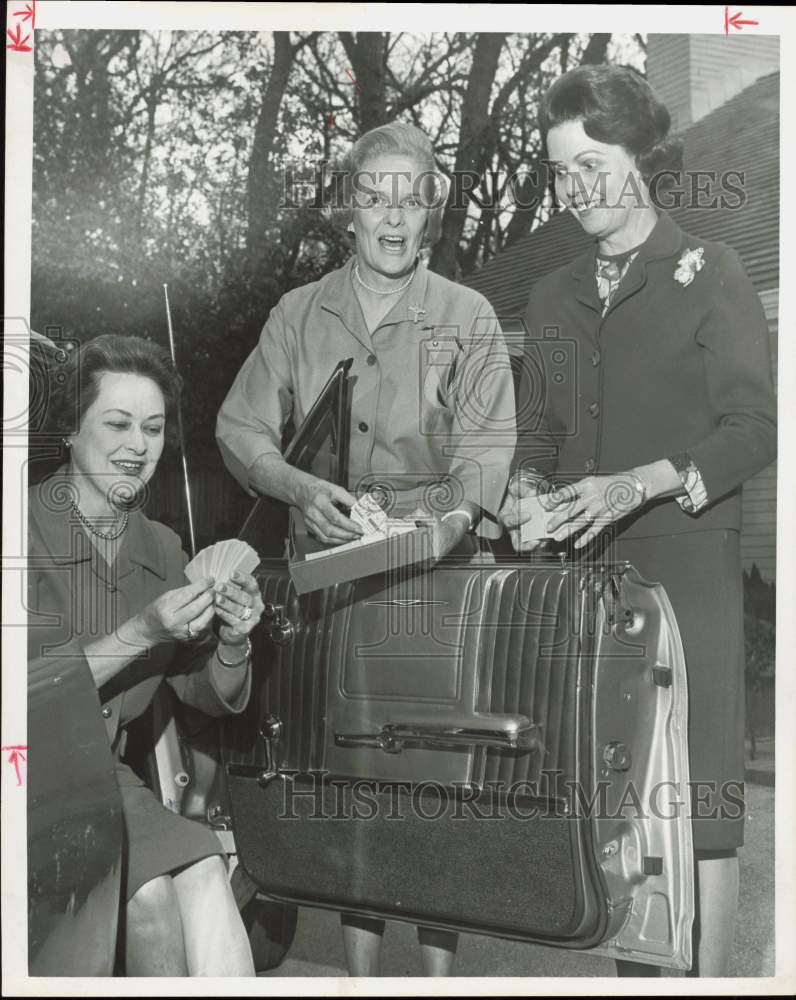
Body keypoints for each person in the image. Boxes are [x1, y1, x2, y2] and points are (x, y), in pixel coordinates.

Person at [217, 121, 517, 975]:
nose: (392, 217)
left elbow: (488, 450)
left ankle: (435, 983)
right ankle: (357, 980)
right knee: (350, 793)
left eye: (411, 198)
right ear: (347, 207)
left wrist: (449, 522)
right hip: (331, 591)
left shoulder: (469, 316)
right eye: (373, 196)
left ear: (433, 211)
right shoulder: (296, 314)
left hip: (436, 588)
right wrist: (300, 488)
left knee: (431, 796)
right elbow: (240, 430)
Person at [499, 65, 776, 976]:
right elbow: (537, 430)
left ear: (641, 158)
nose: (575, 190)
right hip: (591, 590)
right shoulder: (549, 298)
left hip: (689, 584)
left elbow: (755, 426)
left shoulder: (713, 272)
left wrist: (644, 480)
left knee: (698, 823)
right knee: (622, 819)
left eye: (591, 165)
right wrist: (524, 489)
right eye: (559, 172)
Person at [28, 334, 265, 976]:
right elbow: (23, 695)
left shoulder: (160, 546)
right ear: (71, 431)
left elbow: (197, 689)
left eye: (154, 428)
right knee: (152, 896)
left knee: (207, 869)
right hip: (24, 781)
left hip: (105, 784)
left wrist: (235, 639)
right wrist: (142, 631)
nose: (139, 445)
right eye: (119, 423)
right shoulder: (21, 528)